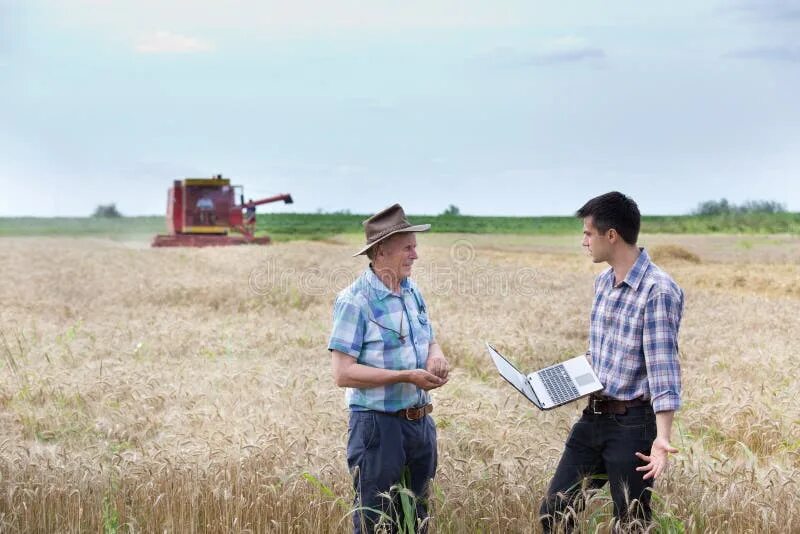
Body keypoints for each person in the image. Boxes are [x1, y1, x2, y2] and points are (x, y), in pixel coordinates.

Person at [540, 191, 684, 532]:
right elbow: (599, 355)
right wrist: (551, 384)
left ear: (611, 235)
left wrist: (662, 438)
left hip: (633, 425)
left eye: (588, 233)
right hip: (594, 416)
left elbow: (663, 369)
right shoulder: (603, 283)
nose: (584, 241)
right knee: (554, 513)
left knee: (631, 522)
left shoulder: (658, 290)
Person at [328, 203, 450, 534]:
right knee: (376, 523)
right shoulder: (355, 301)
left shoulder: (412, 291)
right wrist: (406, 376)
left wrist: (435, 357)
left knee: (416, 522)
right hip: (378, 429)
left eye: (415, 246)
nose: (415, 255)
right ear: (381, 250)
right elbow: (343, 373)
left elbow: (430, 340)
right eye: (408, 247)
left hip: (420, 425)